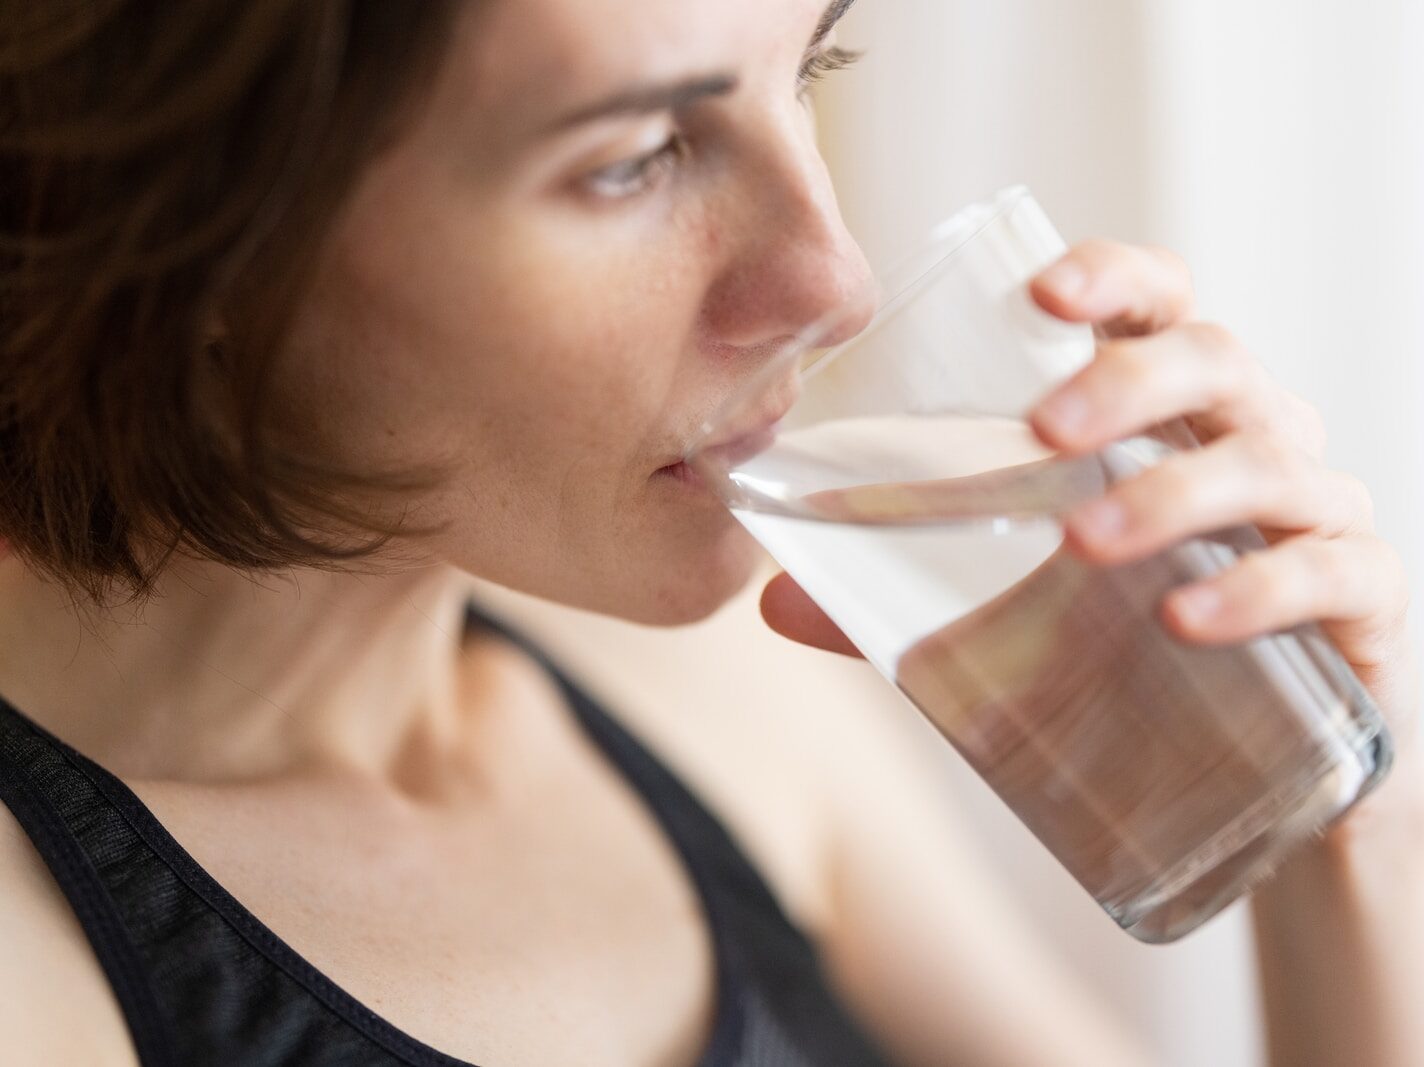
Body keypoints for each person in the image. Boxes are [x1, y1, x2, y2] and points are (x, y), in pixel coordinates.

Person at [0, 2, 1418, 1065]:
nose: (836, 277)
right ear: (186, 229)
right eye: (633, 158)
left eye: (807, 68)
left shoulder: (713, 695)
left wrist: (1326, 811)